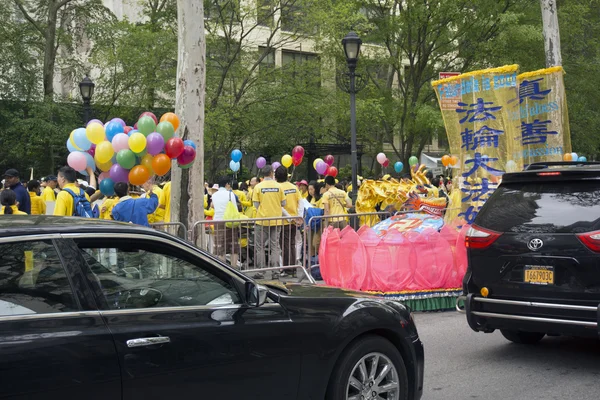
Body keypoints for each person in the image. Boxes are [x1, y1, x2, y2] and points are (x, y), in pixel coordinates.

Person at [252, 165, 285, 279]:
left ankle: (260, 272)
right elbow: (283, 203)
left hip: (262, 220)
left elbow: (256, 205)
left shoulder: (258, 187)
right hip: (276, 220)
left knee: (259, 246)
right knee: (275, 246)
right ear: (272, 173)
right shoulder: (279, 186)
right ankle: (276, 272)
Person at [276, 166, 303, 277]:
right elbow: (300, 202)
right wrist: (299, 217)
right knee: (292, 244)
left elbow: (279, 205)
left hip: (284, 220)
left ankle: (288, 269)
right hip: (294, 220)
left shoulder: (278, 188)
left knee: (285, 245)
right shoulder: (294, 187)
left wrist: (289, 217)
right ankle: (293, 268)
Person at [210, 176, 240, 268]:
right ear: (227, 184)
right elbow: (235, 208)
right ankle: (234, 267)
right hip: (230, 221)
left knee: (220, 246)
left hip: (218, 221)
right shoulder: (231, 194)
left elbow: (213, 206)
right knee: (233, 246)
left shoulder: (214, 195)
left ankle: (222, 268)